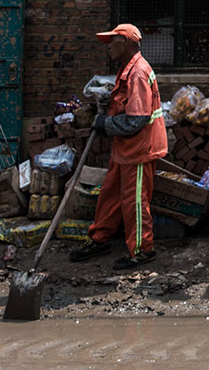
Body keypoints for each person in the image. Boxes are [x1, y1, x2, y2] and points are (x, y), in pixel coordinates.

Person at [70, 23, 167, 269]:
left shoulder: (137, 73)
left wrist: (105, 123)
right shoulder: (127, 69)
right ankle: (99, 238)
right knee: (110, 194)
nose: (108, 47)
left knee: (134, 201)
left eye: (112, 41)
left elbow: (136, 119)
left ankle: (142, 250)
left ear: (127, 43)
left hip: (138, 148)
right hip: (126, 148)